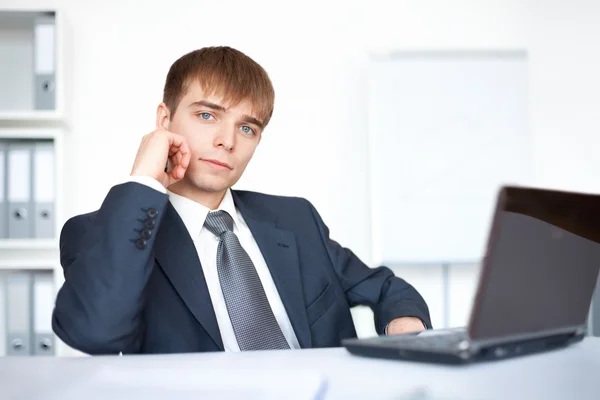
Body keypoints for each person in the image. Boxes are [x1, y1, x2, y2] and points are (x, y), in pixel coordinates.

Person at [52, 46, 431, 355]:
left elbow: (384, 287)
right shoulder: (98, 233)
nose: (227, 140)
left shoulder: (295, 218)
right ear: (164, 121)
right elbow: (95, 332)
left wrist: (405, 330)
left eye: (246, 127)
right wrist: (144, 181)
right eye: (206, 115)